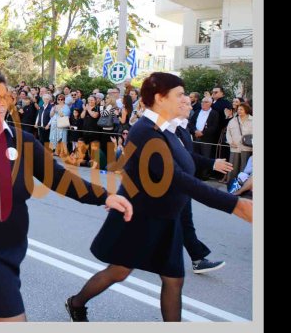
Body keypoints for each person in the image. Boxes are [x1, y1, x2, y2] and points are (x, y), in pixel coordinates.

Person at [0, 68, 133, 322]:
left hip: (13, 246)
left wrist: (105, 196)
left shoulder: (22, 141)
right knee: (10, 315)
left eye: (6, 96)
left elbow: (58, 177)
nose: (3, 104)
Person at [65, 72, 252, 322]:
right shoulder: (144, 131)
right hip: (139, 217)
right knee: (119, 271)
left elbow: (185, 164)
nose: (186, 99)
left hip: (167, 217)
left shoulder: (168, 130)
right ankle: (76, 303)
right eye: (179, 95)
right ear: (160, 98)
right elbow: (176, 177)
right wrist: (235, 204)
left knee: (174, 279)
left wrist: (211, 167)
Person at [171, 94, 233, 274]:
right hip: (174, 184)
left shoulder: (183, 128)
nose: (191, 107)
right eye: (186, 104)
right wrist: (212, 163)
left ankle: (197, 259)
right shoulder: (168, 129)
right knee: (177, 222)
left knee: (182, 222)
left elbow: (187, 155)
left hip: (183, 182)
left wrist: (212, 163)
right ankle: (197, 259)